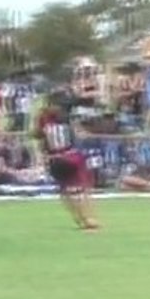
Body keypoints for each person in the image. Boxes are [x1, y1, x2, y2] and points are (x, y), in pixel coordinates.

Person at [36, 95, 98, 231]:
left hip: (55, 158)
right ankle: (87, 217)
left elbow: (39, 137)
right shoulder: (65, 119)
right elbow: (79, 134)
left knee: (66, 190)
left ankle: (80, 218)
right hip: (69, 157)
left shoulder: (43, 119)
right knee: (79, 188)